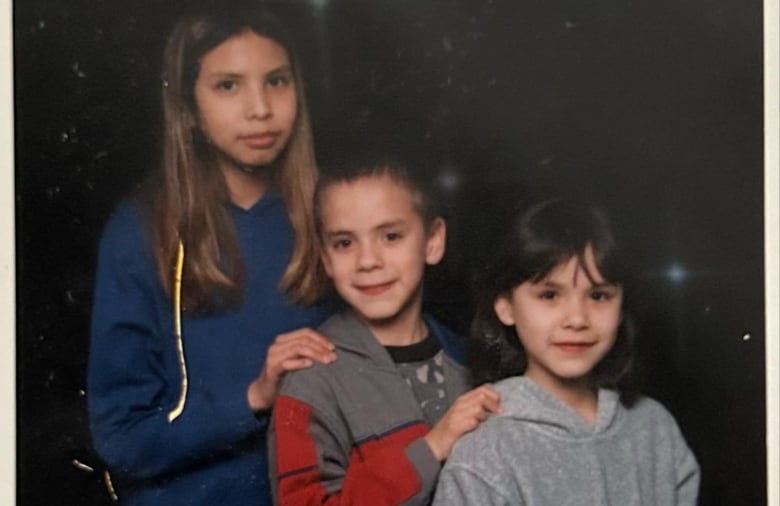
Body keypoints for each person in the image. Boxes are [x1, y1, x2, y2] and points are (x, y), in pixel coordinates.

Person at [87, 5, 336, 505]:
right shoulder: (142, 230)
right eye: (228, 86)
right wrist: (252, 399)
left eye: (277, 81)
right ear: (189, 109)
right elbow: (122, 439)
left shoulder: (334, 213)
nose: (260, 108)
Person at [433, 199, 700, 505]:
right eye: (549, 295)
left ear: (622, 304)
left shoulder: (655, 428)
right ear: (506, 307)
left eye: (598, 295)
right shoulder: (484, 453)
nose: (576, 319)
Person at [268, 156, 501, 505]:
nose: (367, 261)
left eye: (390, 236)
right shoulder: (311, 381)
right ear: (325, 258)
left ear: (433, 241)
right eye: (345, 243)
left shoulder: (470, 360)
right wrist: (431, 448)